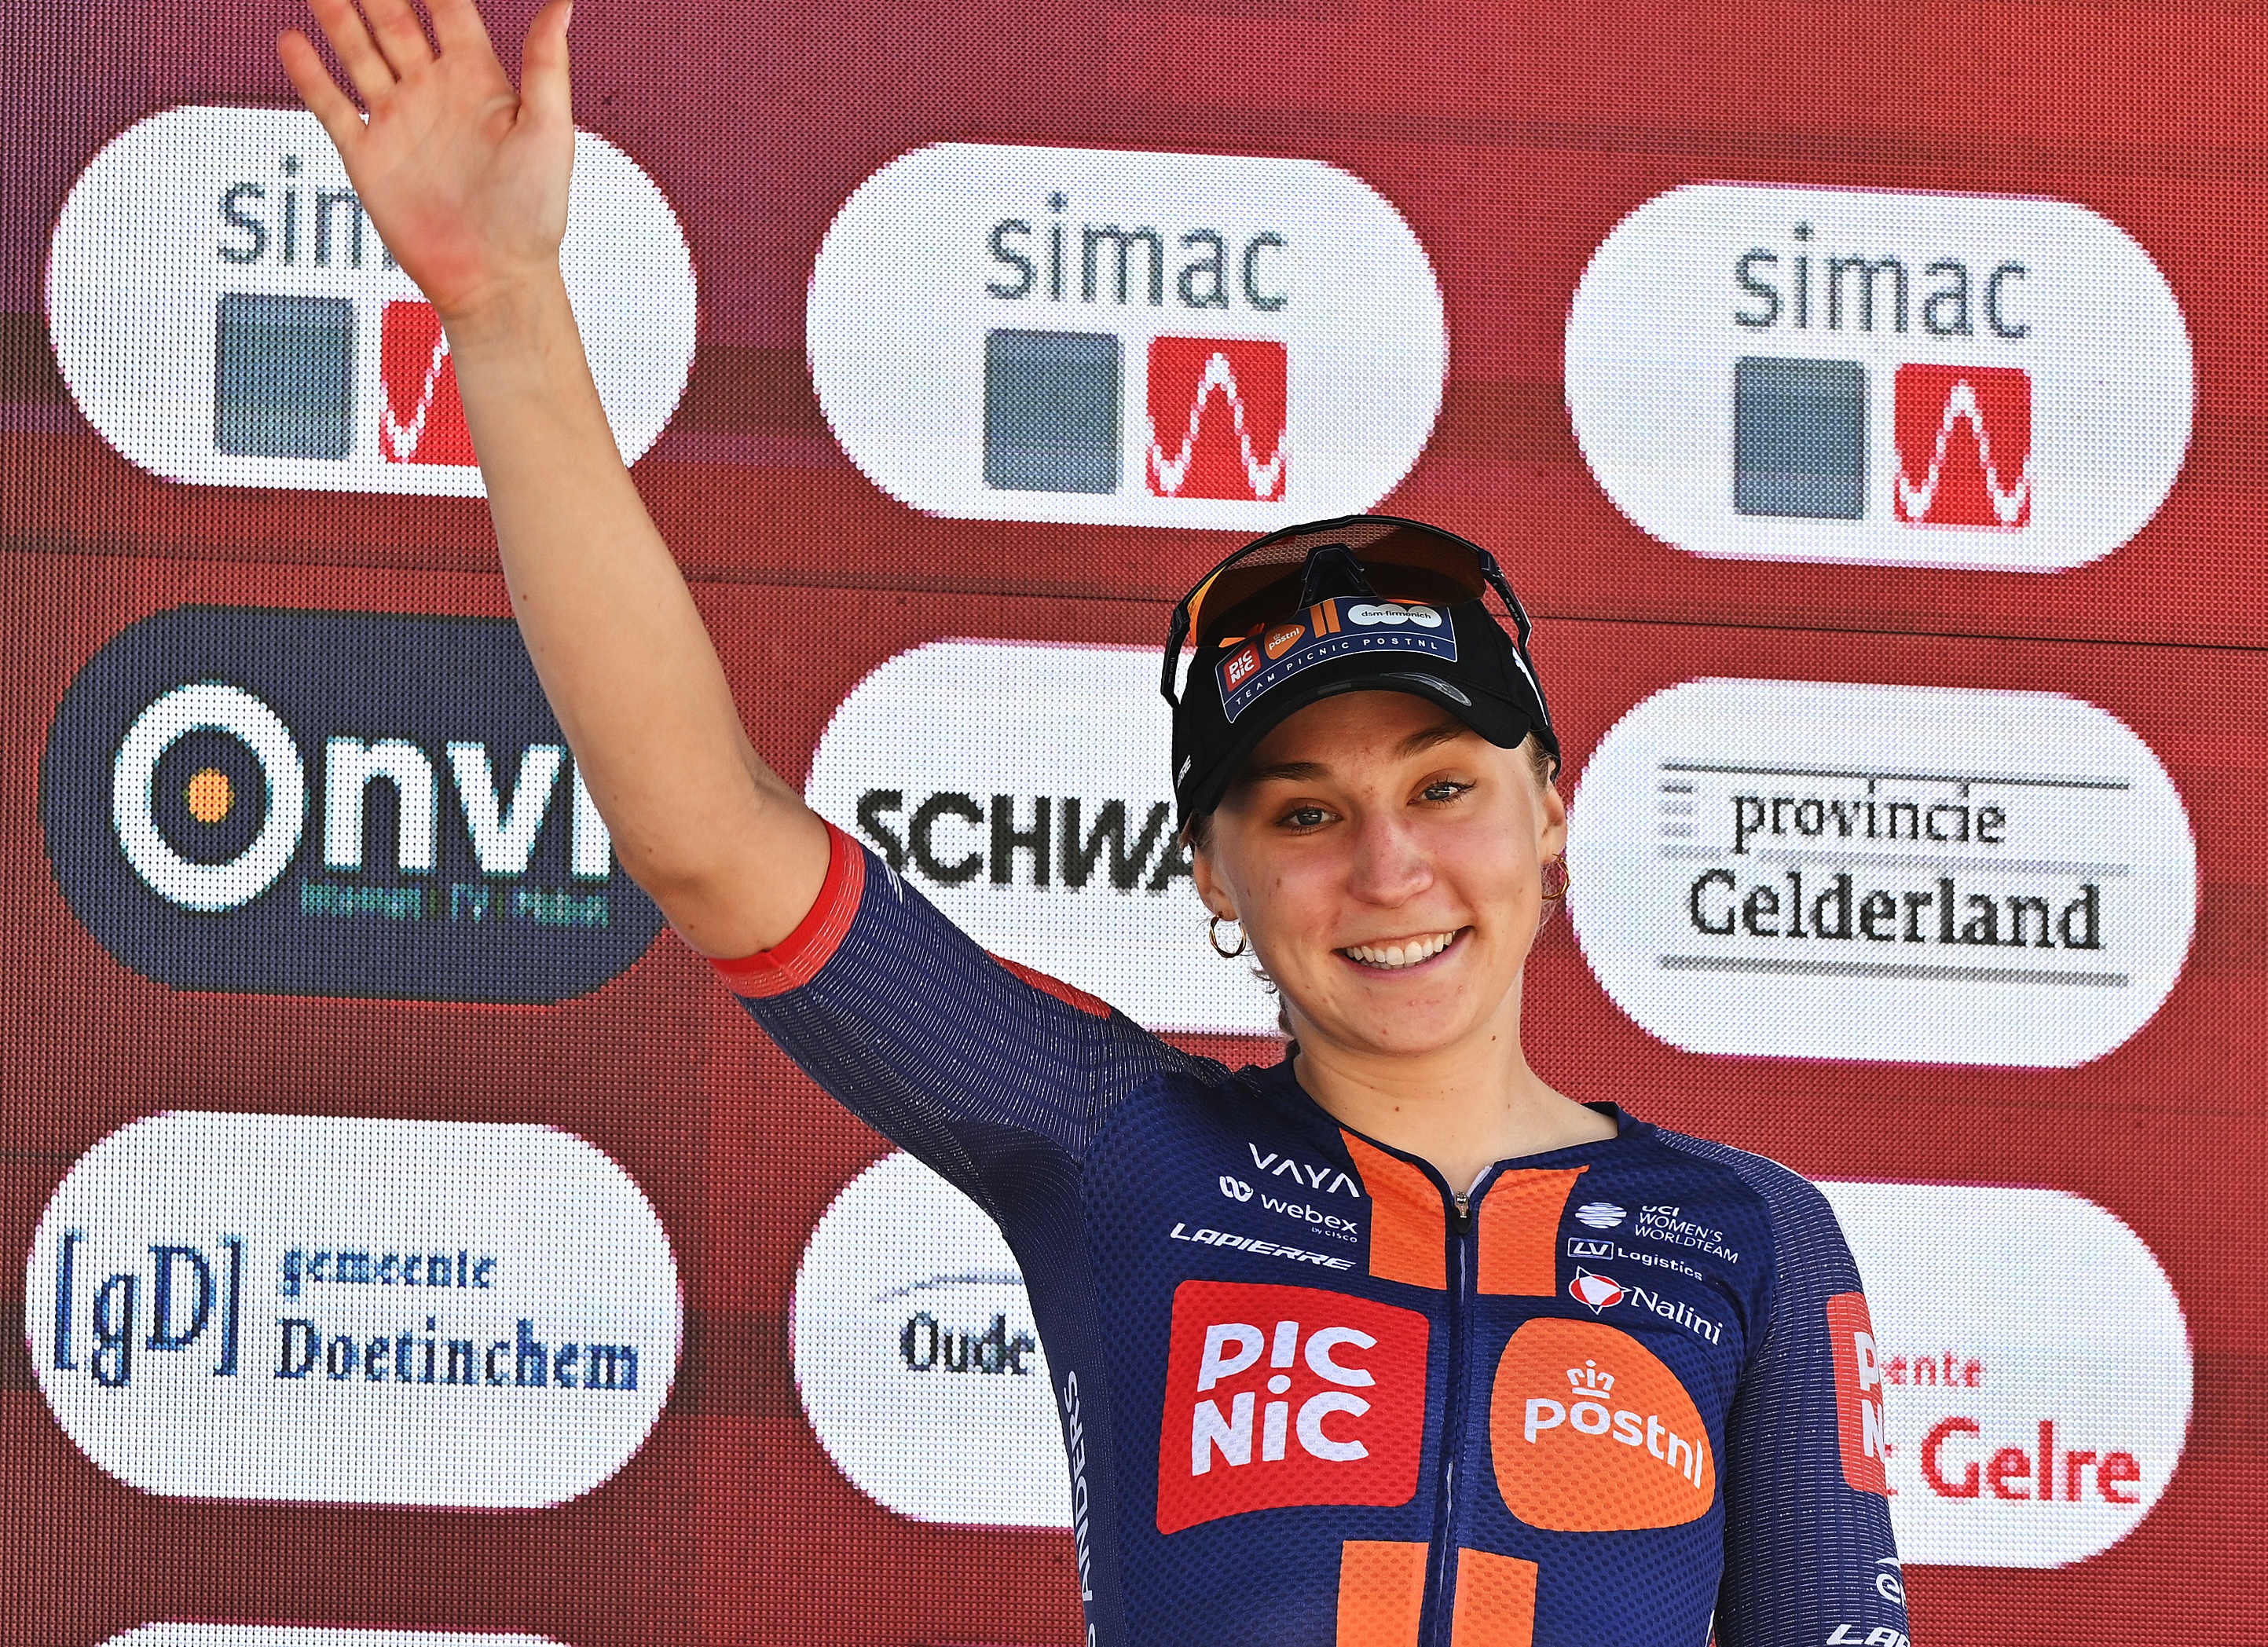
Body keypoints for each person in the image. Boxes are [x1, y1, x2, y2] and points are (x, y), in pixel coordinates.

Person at [280, 3, 1913, 1642]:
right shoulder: (1117, 1143)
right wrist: (500, 314)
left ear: (1550, 809)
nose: (1387, 865)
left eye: (1443, 785)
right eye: (1302, 808)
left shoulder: (1749, 1233)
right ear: (1212, 870)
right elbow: (710, 834)